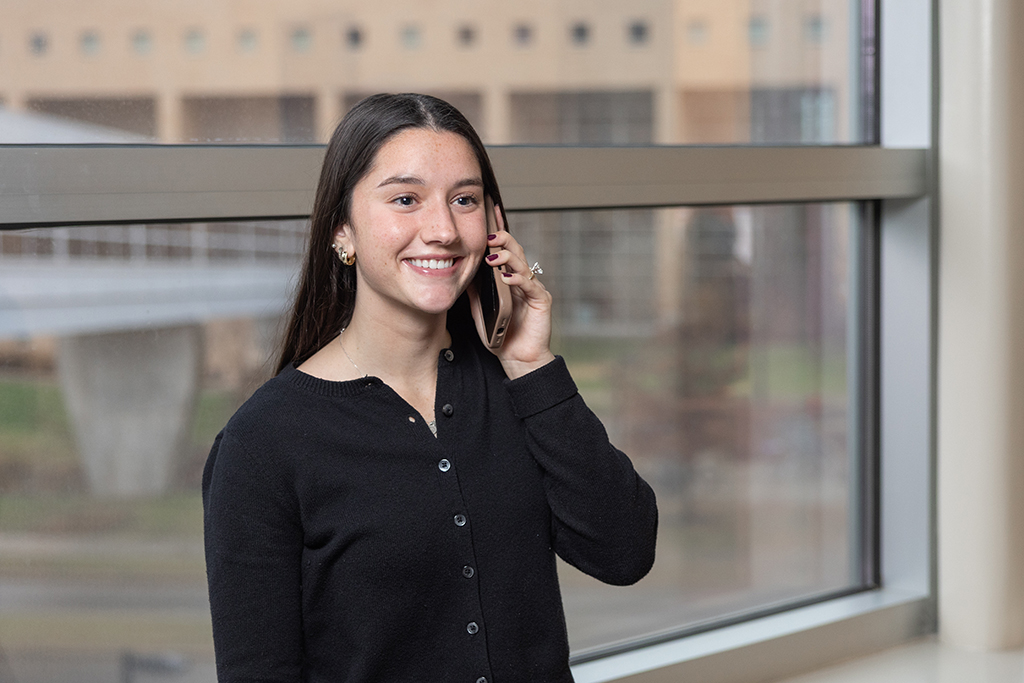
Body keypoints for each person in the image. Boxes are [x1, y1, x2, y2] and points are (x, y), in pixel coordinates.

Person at [202, 93, 658, 683]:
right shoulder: (262, 444)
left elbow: (624, 553)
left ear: (493, 226)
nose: (442, 230)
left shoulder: (518, 387)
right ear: (343, 230)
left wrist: (531, 364)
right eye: (405, 199)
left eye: (464, 200)